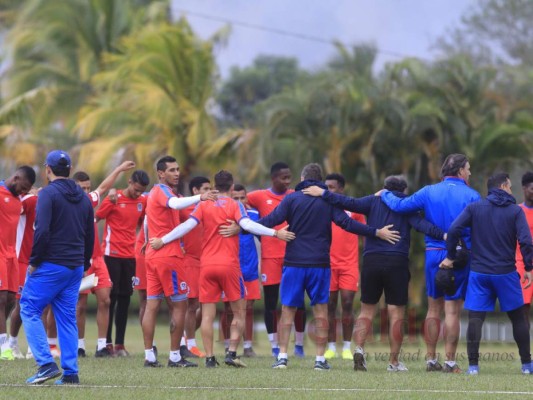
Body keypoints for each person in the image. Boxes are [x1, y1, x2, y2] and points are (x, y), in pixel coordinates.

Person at [259, 163, 400, 371]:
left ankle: (281, 357)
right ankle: (319, 360)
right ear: (320, 179)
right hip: (319, 264)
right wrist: (375, 232)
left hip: (294, 263)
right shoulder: (327, 202)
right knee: (321, 310)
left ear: (302, 177)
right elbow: (348, 224)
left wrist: (243, 227)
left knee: (287, 310)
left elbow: (270, 220)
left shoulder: (291, 199)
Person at [149, 170, 295, 368]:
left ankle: (209, 358)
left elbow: (186, 226)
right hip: (229, 266)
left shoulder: (204, 204)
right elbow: (248, 225)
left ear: (215, 186)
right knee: (239, 312)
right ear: (232, 187)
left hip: (207, 266)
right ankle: (231, 352)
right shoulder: (235, 205)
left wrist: (163, 240)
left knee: (207, 314)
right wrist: (275, 233)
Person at [303, 175, 446, 371]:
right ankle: (394, 362)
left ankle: (360, 349)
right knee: (396, 313)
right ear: (404, 191)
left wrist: (323, 193)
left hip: (371, 261)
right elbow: (423, 226)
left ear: (383, 189)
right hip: (397, 261)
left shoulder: (372, 201)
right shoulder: (405, 205)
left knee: (366, 310)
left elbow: (347, 202)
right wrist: (445, 235)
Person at [380, 154, 480, 373]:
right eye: (468, 169)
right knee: (452, 311)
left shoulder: (428, 191)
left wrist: (385, 193)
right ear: (461, 171)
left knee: (433, 308)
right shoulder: (473, 196)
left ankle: (431, 360)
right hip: (460, 254)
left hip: (434, 253)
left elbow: (399, 205)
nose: (470, 173)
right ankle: (450, 363)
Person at [441, 172, 533, 375]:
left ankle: (473, 367)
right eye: (509, 186)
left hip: (479, 274)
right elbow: (526, 241)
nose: (510, 190)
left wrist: (451, 255)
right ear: (502, 187)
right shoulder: (515, 211)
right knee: (518, 318)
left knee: (475, 319)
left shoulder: (475, 208)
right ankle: (527, 365)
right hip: (506, 273)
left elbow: (454, 229)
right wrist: (528, 267)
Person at [21, 150, 94, 385]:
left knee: (29, 308)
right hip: (74, 267)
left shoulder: (48, 194)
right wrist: (84, 263)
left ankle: (45, 364)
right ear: (70, 170)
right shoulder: (84, 198)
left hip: (51, 264)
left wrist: (34, 262)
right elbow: (90, 234)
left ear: (48, 169)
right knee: (66, 319)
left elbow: (41, 231)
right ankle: (71, 373)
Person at [142, 156, 217, 368]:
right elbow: (175, 204)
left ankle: (149, 356)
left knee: (151, 306)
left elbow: (148, 218)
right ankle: (175, 356)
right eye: (172, 170)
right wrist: (200, 198)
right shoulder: (164, 191)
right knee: (180, 305)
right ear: (160, 174)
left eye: (177, 169)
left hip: (153, 254)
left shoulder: (155, 194)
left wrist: (147, 240)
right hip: (169, 256)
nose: (176, 173)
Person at [72, 161, 135, 358]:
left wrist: (117, 170)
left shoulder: (89, 200)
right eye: (82, 188)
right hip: (79, 260)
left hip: (98, 259)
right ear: (74, 189)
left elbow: (104, 187)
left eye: (88, 188)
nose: (87, 191)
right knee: (80, 305)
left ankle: (101, 347)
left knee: (105, 300)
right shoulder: (70, 205)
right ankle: (79, 346)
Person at [247, 162, 306, 357]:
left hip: (294, 255)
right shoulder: (259, 196)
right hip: (270, 257)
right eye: (284, 178)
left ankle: (298, 345)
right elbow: (236, 199)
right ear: (273, 178)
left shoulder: (294, 195)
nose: (288, 181)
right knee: (271, 302)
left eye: (290, 177)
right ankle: (273, 346)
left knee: (297, 301)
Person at [95, 170, 149, 357]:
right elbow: (96, 218)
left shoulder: (143, 202)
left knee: (125, 299)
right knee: (111, 298)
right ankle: (106, 343)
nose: (137, 194)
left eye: (141, 191)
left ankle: (120, 344)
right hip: (111, 254)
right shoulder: (114, 198)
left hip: (130, 256)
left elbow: (142, 222)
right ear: (129, 182)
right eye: (135, 189)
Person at [320, 174, 366, 361]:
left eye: (331, 187)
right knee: (329, 305)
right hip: (327, 264)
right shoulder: (321, 207)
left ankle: (347, 347)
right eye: (326, 187)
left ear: (341, 189)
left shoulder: (352, 209)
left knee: (347, 303)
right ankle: (331, 347)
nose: (327, 190)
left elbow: (364, 234)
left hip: (349, 265)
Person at [220, 184, 262, 358]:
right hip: (230, 268)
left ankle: (248, 345)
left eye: (242, 198)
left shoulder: (253, 215)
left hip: (250, 268)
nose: (239, 201)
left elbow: (263, 236)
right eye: (235, 198)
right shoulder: (223, 214)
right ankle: (227, 343)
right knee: (229, 308)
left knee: (249, 307)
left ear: (247, 198)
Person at [0, 166, 36, 361]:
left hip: (11, 256)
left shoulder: (19, 199)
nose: (24, 192)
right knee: (2, 298)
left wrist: (32, 191)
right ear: (15, 178)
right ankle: (3, 347)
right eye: (23, 187)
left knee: (13, 301)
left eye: (27, 189)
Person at [178, 176, 212, 358]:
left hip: (207, 261)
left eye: (210, 188)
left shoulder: (211, 207)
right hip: (189, 261)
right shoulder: (184, 208)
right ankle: (189, 344)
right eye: (205, 188)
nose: (209, 191)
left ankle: (186, 340)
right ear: (195, 191)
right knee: (190, 304)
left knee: (202, 304)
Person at [8, 189, 38, 359]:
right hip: (22, 260)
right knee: (21, 304)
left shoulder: (54, 203)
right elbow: (11, 210)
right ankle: (12, 343)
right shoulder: (31, 200)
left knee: (39, 304)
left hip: (40, 261)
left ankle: (32, 348)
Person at [516, 171, 533, 326]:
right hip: (523, 264)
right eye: (532, 188)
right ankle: (525, 345)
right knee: (524, 307)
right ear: (524, 188)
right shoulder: (517, 211)